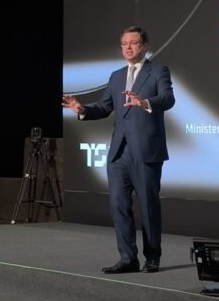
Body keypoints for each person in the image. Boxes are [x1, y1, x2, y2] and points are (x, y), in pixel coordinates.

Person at [63, 26, 175, 274]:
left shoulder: (158, 71)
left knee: (148, 206)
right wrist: (82, 109)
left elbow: (168, 99)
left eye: (133, 43)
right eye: (124, 43)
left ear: (144, 46)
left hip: (146, 150)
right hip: (118, 153)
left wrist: (144, 102)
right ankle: (127, 259)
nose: (128, 47)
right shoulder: (116, 76)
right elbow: (103, 108)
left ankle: (152, 257)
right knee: (118, 206)